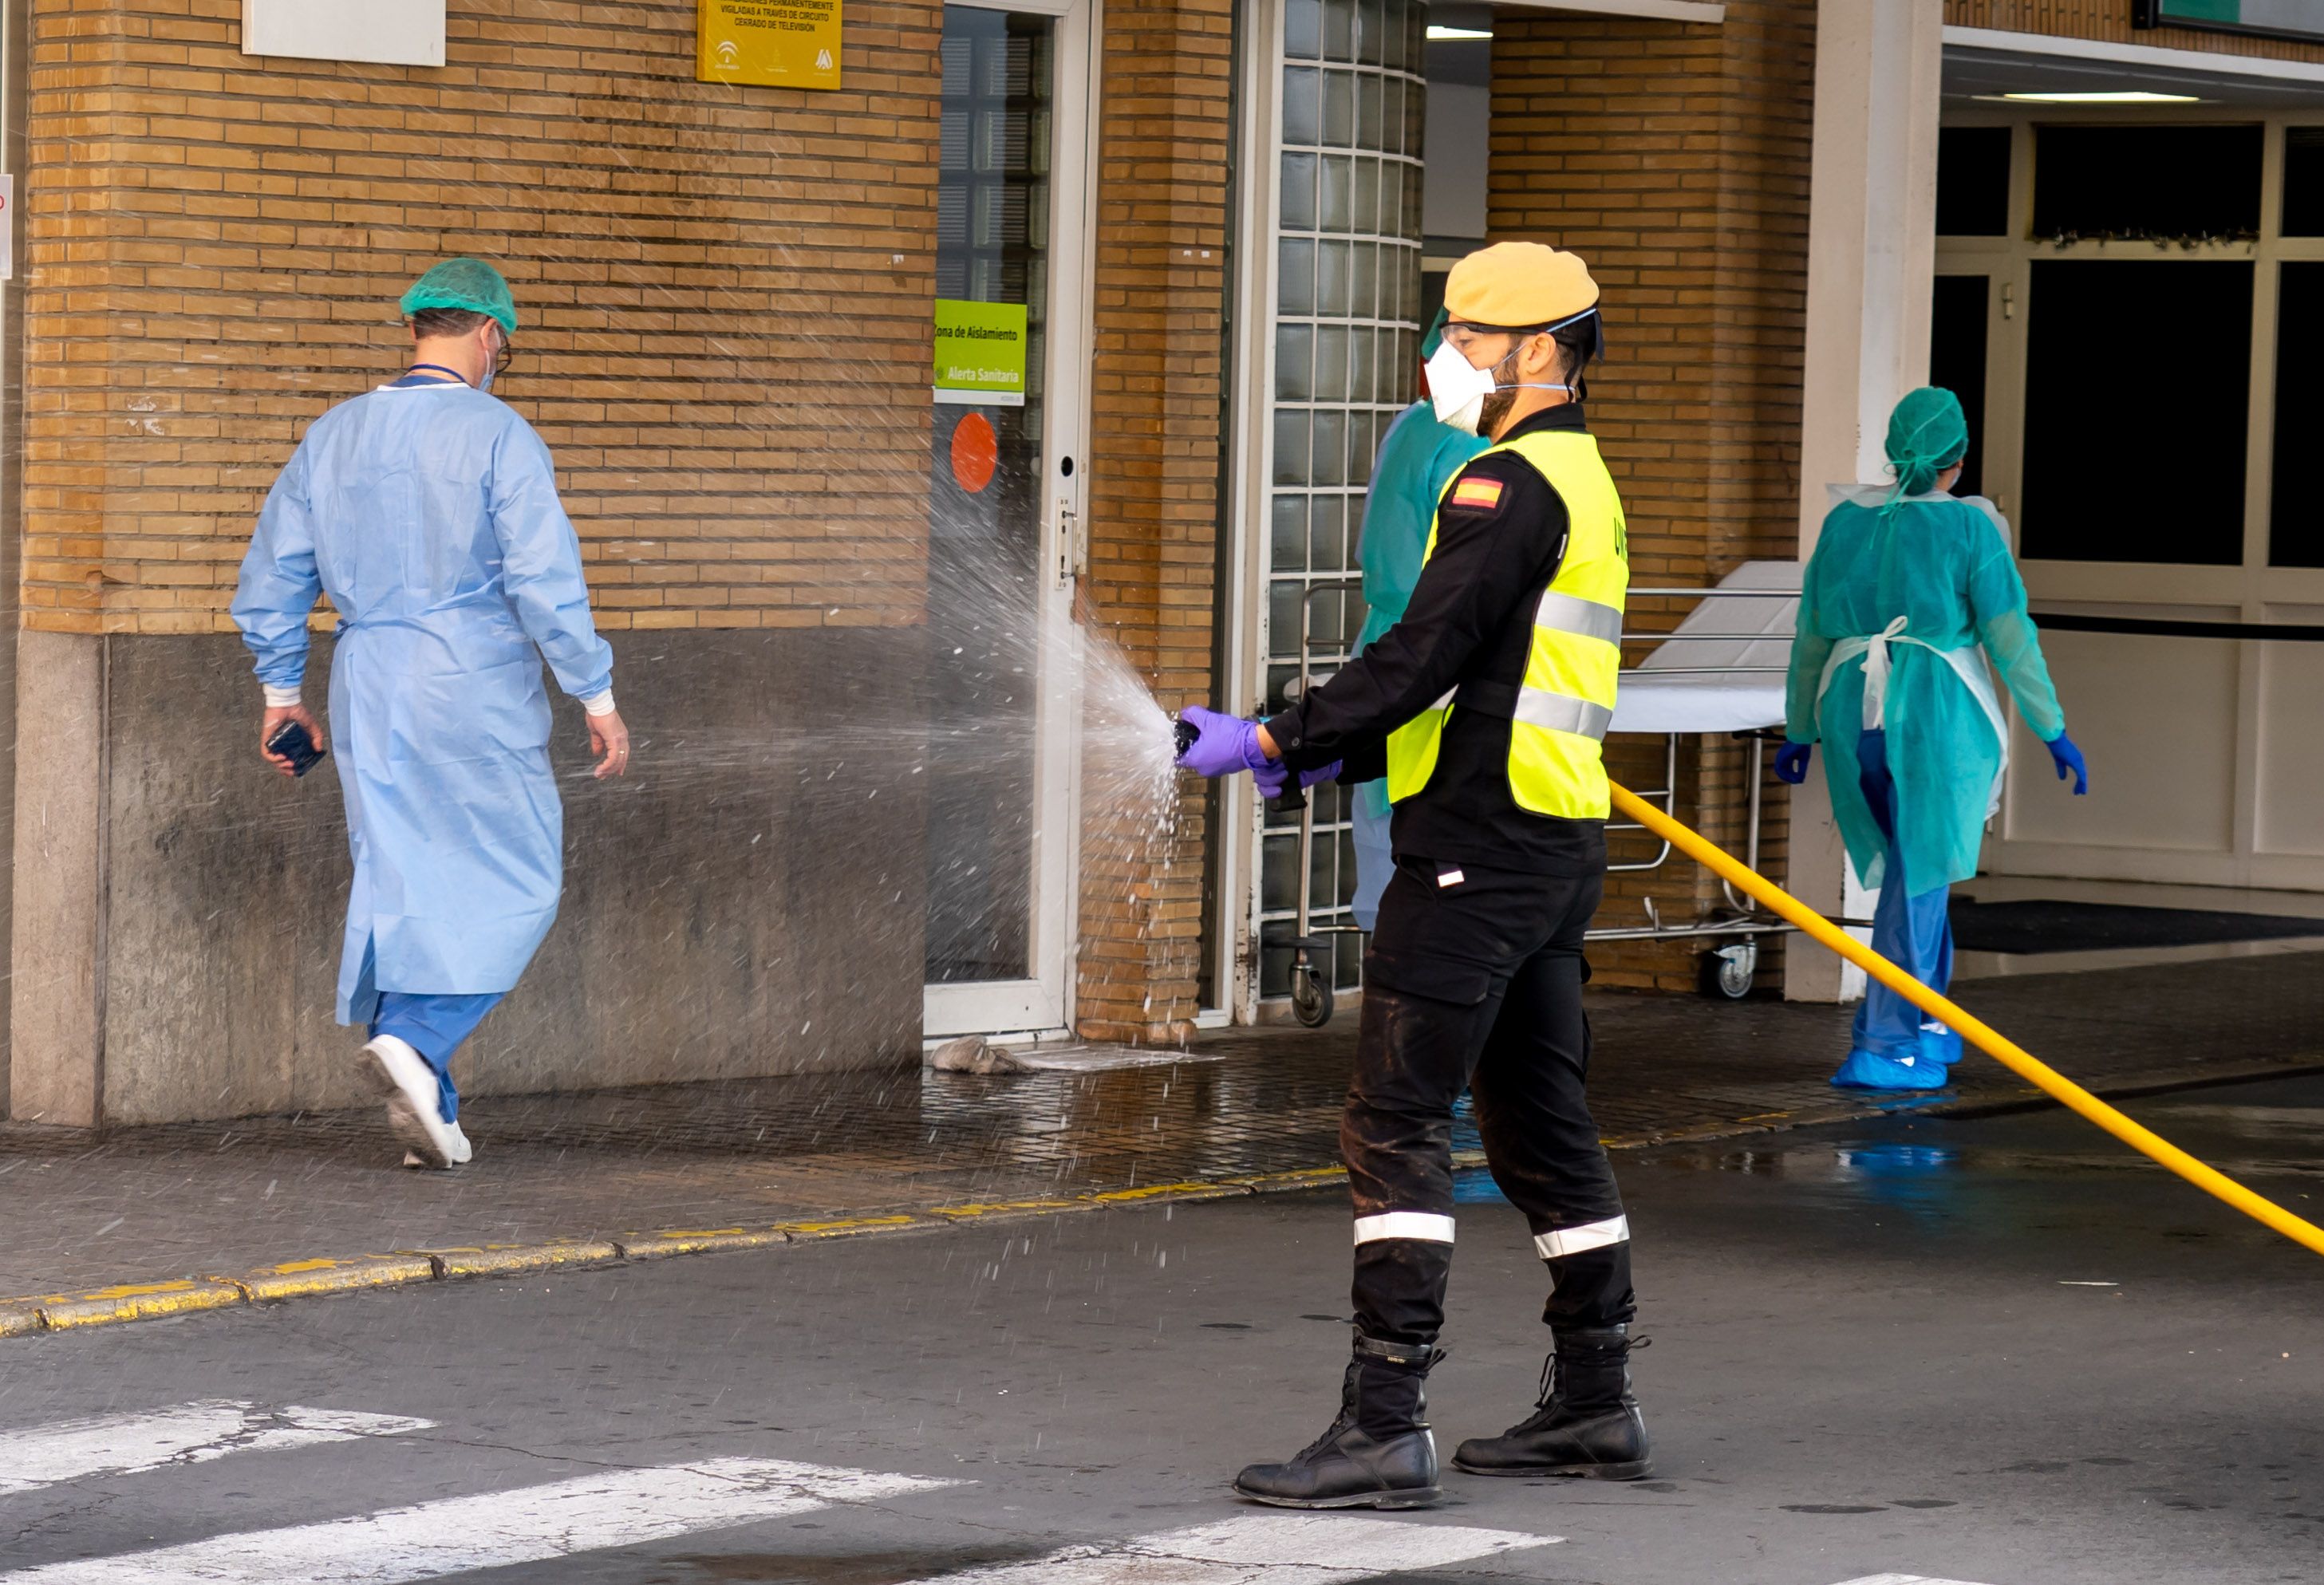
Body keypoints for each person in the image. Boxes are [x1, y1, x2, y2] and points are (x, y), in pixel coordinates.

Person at [1178, 241, 1647, 1508]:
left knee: (1392, 1118)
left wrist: (1281, 733)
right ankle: (1596, 1399)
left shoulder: (1504, 484)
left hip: (1474, 858)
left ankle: (1382, 1418)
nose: (1444, 355)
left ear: (1537, 349)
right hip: (1550, 844)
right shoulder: (1584, 476)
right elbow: (1491, 680)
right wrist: (1328, 759)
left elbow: (1430, 644)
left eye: (1465, 333)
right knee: (1540, 1122)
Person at [231, 258, 630, 1169]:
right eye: (506, 345)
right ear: (490, 334)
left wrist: (282, 694)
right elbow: (543, 580)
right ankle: (420, 1040)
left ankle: (431, 1108)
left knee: (401, 872)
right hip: (471, 675)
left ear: (419, 327)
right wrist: (595, 694)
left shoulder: (331, 434)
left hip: (367, 676)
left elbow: (274, 577)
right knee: (517, 870)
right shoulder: (499, 434)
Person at [1775, 386, 2086, 1092]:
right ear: (1959, 459)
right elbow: (2010, 638)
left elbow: (1810, 637)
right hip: (1938, 713)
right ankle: (1885, 1042)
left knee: (1920, 869)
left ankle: (1928, 1019)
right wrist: (2051, 728)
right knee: (1918, 879)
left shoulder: (1843, 523)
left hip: (1849, 705)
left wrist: (1798, 727)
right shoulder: (1971, 529)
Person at [1347, 311, 1489, 930]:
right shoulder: (1469, 445)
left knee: (1383, 833)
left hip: (1386, 642)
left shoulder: (1408, 427)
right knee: (1430, 855)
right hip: (1437, 651)